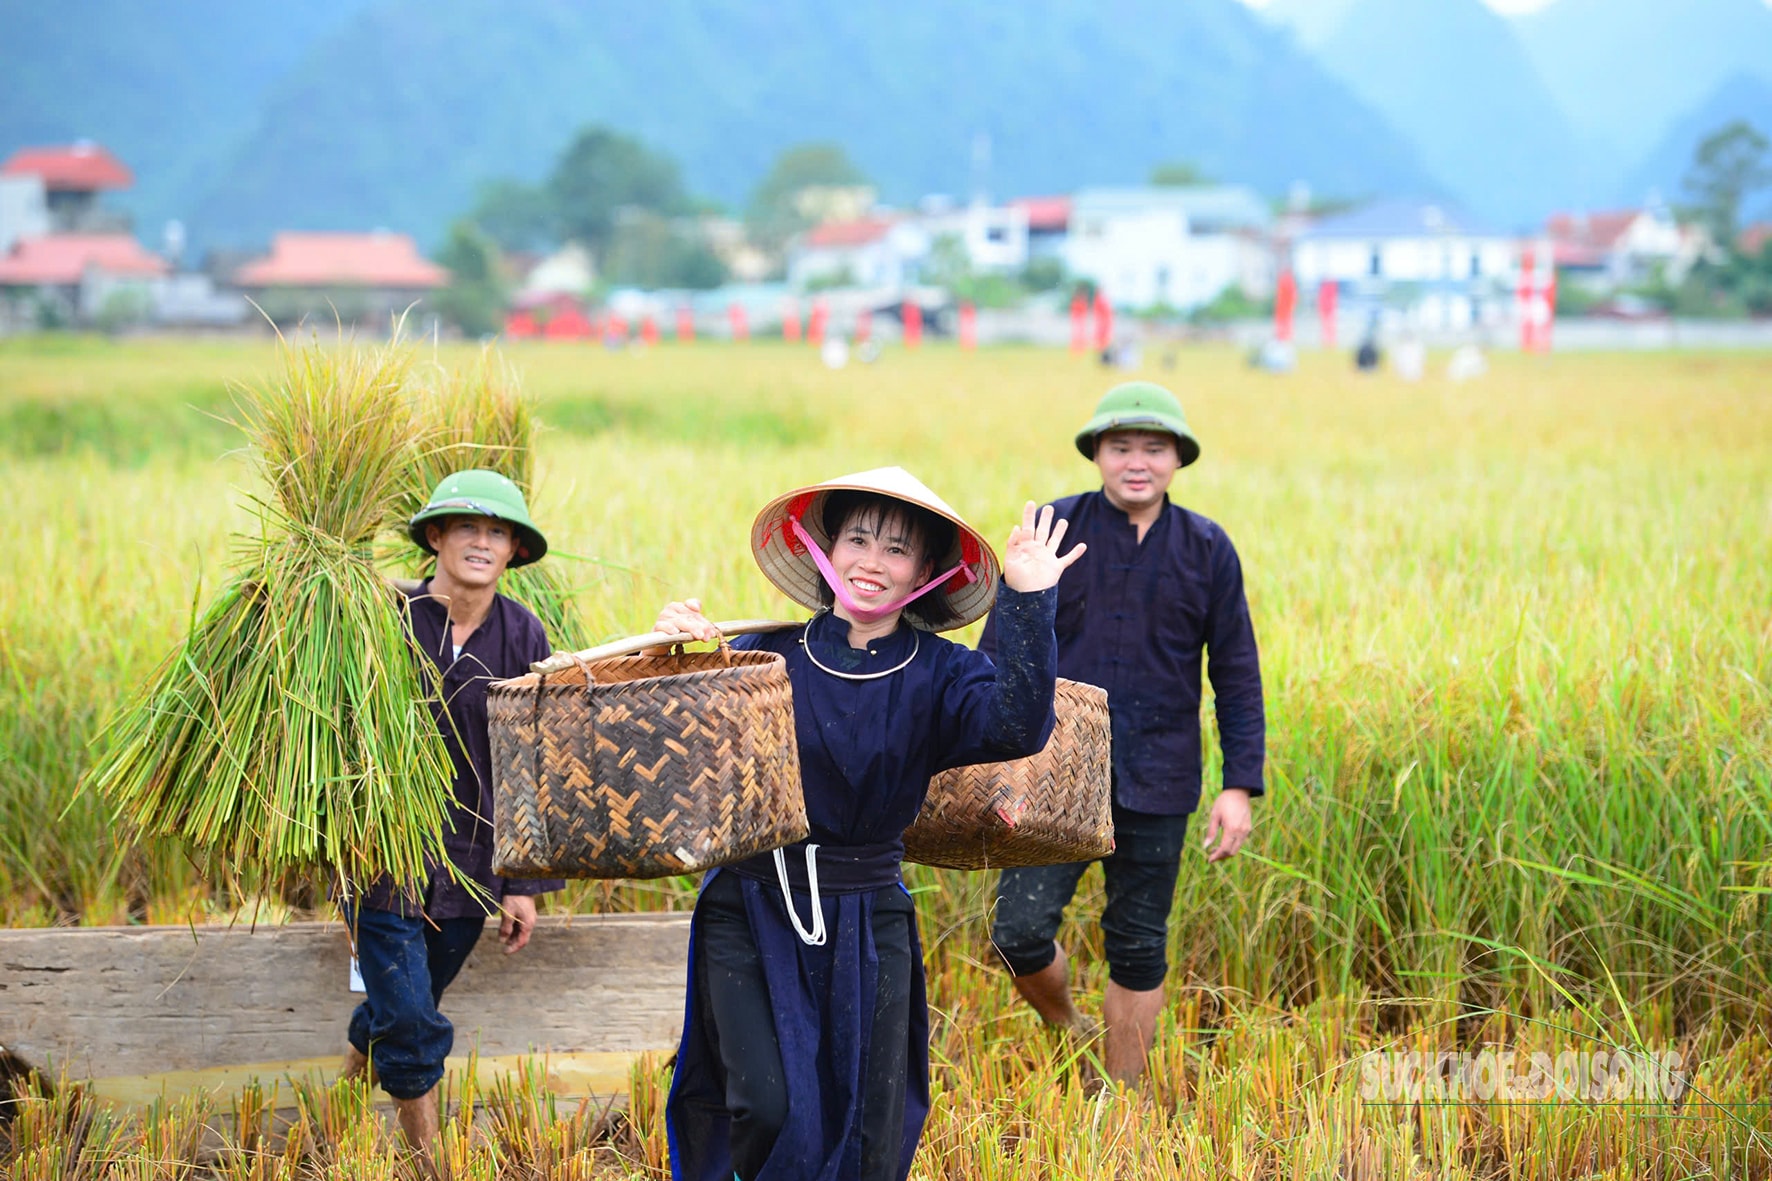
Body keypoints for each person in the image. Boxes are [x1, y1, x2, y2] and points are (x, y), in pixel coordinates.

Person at [655, 467, 1084, 1181]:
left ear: (925, 571)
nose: (871, 562)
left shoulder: (942, 674)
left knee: (868, 1122)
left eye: (896, 549)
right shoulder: (767, 655)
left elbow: (1018, 724)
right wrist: (692, 656)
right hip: (752, 903)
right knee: (764, 1104)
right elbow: (685, 737)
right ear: (827, 549)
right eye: (858, 539)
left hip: (867, 910)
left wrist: (1028, 600)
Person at [983, 381, 1267, 1086]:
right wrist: (988, 762)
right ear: (1097, 454)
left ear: (1177, 458)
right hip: (1054, 774)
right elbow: (999, 651)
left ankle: (1126, 1096)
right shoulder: (1054, 528)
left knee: (1138, 944)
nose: (1136, 461)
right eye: (1120, 446)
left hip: (1160, 774)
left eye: (1153, 447)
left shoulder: (1207, 548)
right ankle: (1069, 1027)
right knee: (1015, 930)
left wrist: (1239, 784)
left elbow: (1235, 670)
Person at [339, 469, 564, 1154]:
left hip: (472, 860)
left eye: (497, 532)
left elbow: (532, 764)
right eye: (467, 526)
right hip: (385, 852)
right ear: (435, 536)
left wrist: (523, 884)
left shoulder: (526, 636)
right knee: (409, 1021)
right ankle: (431, 1161)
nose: (481, 541)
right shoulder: (384, 619)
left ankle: (339, 1109)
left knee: (398, 1002)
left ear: (514, 552)